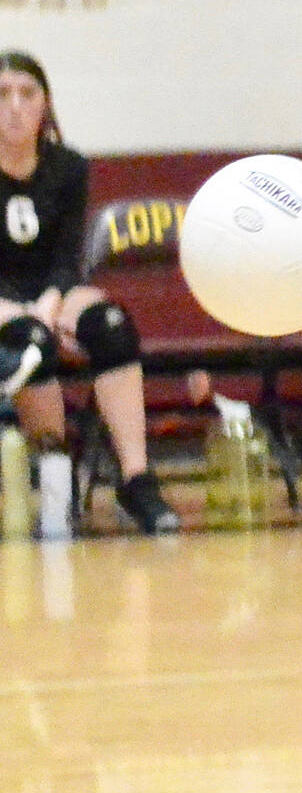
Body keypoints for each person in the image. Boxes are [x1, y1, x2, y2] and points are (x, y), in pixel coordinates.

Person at [0, 52, 180, 534]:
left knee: (112, 327)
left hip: (52, 288)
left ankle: (136, 480)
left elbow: (68, 254)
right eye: (2, 94)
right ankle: (52, 473)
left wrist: (54, 299)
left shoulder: (68, 167)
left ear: (45, 105)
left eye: (26, 94)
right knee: (30, 340)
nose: (14, 106)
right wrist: (27, 311)